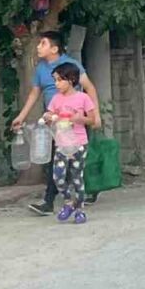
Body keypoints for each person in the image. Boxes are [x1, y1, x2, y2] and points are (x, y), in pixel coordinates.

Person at [11, 30, 101, 215]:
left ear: (54, 48)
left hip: (75, 122)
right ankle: (51, 201)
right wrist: (21, 116)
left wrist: (96, 116)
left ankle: (68, 198)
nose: (38, 47)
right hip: (55, 122)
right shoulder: (41, 69)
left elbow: (89, 87)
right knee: (56, 161)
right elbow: (35, 93)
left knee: (74, 161)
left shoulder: (70, 65)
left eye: (42, 43)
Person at [44, 63, 100, 224]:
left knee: (77, 177)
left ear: (71, 80)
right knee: (58, 176)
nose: (57, 84)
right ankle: (68, 203)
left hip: (79, 143)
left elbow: (92, 119)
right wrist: (48, 117)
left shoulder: (83, 98)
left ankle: (80, 209)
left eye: (60, 80)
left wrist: (80, 119)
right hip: (61, 144)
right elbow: (51, 115)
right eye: (55, 80)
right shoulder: (56, 99)